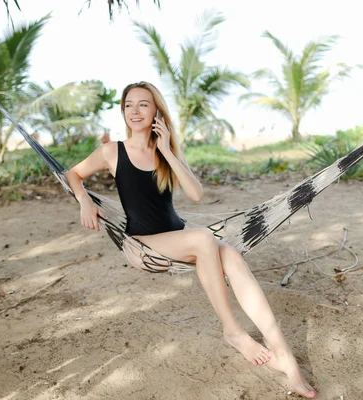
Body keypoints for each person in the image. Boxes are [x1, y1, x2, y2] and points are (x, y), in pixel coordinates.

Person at [65, 81, 317, 398]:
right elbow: (72, 174)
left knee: (233, 257)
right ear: (123, 111)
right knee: (203, 240)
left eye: (144, 104)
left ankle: (283, 354)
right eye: (129, 104)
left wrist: (168, 150)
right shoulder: (112, 151)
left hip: (179, 236)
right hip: (143, 245)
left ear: (156, 111)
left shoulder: (162, 153)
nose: (135, 111)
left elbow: (196, 195)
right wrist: (85, 201)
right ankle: (233, 331)